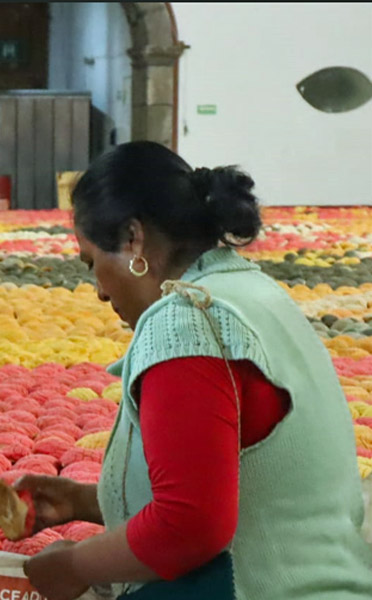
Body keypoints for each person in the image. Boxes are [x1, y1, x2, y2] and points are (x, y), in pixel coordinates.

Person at [19, 141, 372, 599]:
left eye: (92, 263)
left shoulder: (188, 323)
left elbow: (191, 526)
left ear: (132, 238)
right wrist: (89, 502)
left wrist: (75, 565)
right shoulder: (250, 290)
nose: (101, 293)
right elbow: (249, 489)